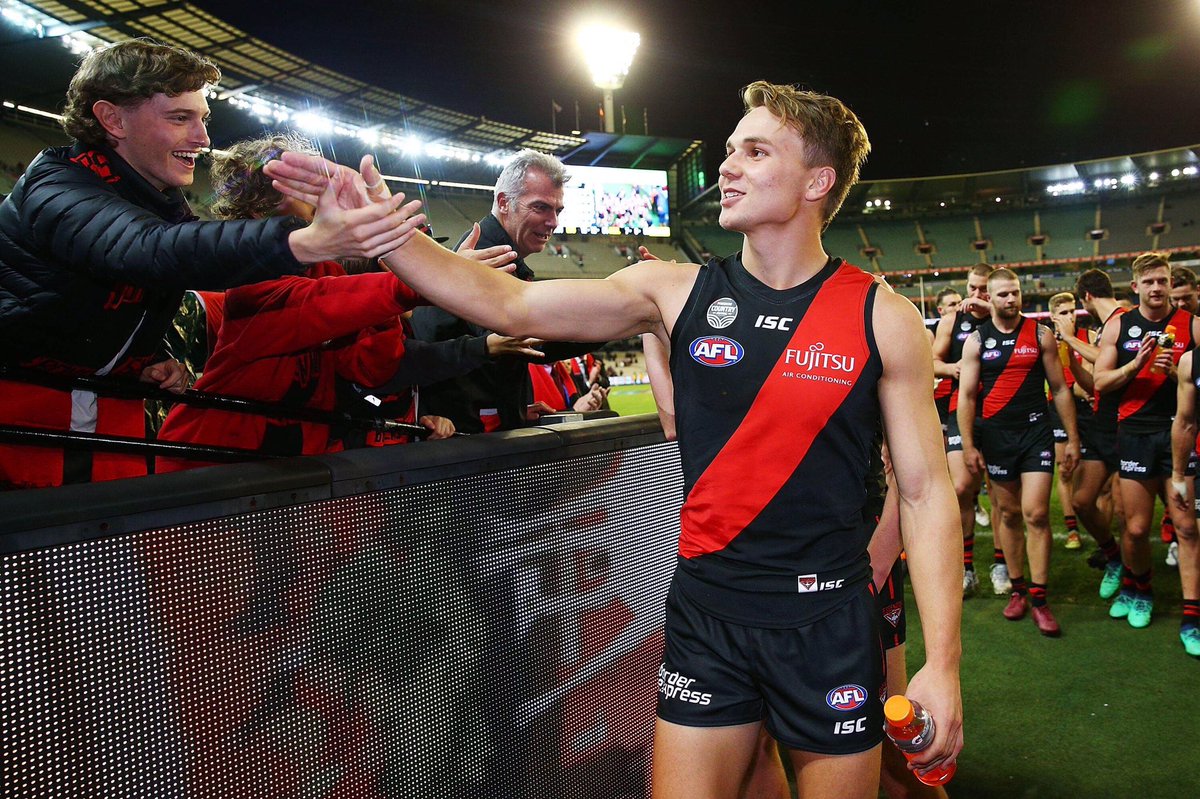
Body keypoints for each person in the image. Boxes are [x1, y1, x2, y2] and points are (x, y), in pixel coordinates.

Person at [271, 79, 963, 798]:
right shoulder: (672, 291)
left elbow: (924, 491)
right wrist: (386, 232)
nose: (727, 166)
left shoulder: (881, 315)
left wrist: (940, 660)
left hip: (827, 618)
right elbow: (506, 301)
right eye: (730, 149)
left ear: (818, 180)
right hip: (708, 617)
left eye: (755, 152)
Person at [0, 38, 419, 489]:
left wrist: (146, 355)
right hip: (21, 417)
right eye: (180, 118)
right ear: (112, 119)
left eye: (203, 119)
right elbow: (147, 250)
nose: (202, 139)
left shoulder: (161, 202)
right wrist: (303, 243)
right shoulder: (56, 185)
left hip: (104, 419)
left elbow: (99, 293)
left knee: (103, 551)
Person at [409, 150, 603, 433]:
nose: (553, 222)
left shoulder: (500, 254)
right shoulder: (486, 256)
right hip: (466, 444)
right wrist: (617, 320)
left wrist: (514, 409)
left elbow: (494, 357)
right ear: (504, 203)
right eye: (541, 208)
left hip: (473, 431)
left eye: (557, 210)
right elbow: (524, 342)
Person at [957, 268, 1080, 636]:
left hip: (1036, 435)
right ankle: (1018, 588)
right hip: (996, 437)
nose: (1011, 300)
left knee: (1037, 513)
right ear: (989, 299)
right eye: (1003, 295)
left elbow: (1059, 389)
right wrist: (968, 444)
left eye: (1015, 293)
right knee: (1008, 514)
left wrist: (1072, 438)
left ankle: (1040, 600)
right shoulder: (977, 340)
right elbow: (965, 395)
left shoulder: (1040, 334)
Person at [1094, 252, 1198, 632]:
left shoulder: (1193, 325)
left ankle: (1192, 617)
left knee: (1187, 527)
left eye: (1163, 281)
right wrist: (1134, 366)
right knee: (1135, 528)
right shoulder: (1120, 326)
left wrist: (1177, 374)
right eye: (1149, 282)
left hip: (1180, 436)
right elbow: (1100, 382)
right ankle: (1141, 590)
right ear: (1135, 287)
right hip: (1135, 433)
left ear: (1171, 284)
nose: (1157, 288)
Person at [932, 264, 1003, 597]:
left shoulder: (1006, 321)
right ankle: (967, 567)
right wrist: (951, 368)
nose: (976, 296)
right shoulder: (952, 321)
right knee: (961, 487)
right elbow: (931, 362)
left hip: (1002, 414)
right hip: (960, 412)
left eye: (984, 290)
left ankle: (1002, 564)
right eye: (972, 288)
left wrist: (993, 311)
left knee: (1003, 496)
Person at [1060, 270, 1127, 592]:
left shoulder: (1124, 319)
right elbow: (1095, 384)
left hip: (1130, 424)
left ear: (1085, 297)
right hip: (1103, 422)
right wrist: (1072, 363)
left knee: (1130, 513)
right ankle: (1114, 556)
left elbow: (1107, 363)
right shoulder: (1105, 327)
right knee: (1083, 501)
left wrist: (1070, 337)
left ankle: (1136, 578)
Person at [1046, 292, 1093, 550]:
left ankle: (1094, 523)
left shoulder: (1089, 337)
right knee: (1065, 471)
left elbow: (1093, 372)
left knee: (1094, 473)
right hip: (1059, 410)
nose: (1070, 316)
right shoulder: (1047, 341)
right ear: (1053, 316)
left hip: (1087, 410)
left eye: (1072, 311)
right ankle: (1072, 528)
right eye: (1063, 312)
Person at [1166, 350, 1200, 657]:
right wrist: (1178, 474)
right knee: (1191, 533)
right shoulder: (1192, 360)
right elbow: (1186, 421)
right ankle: (1192, 617)